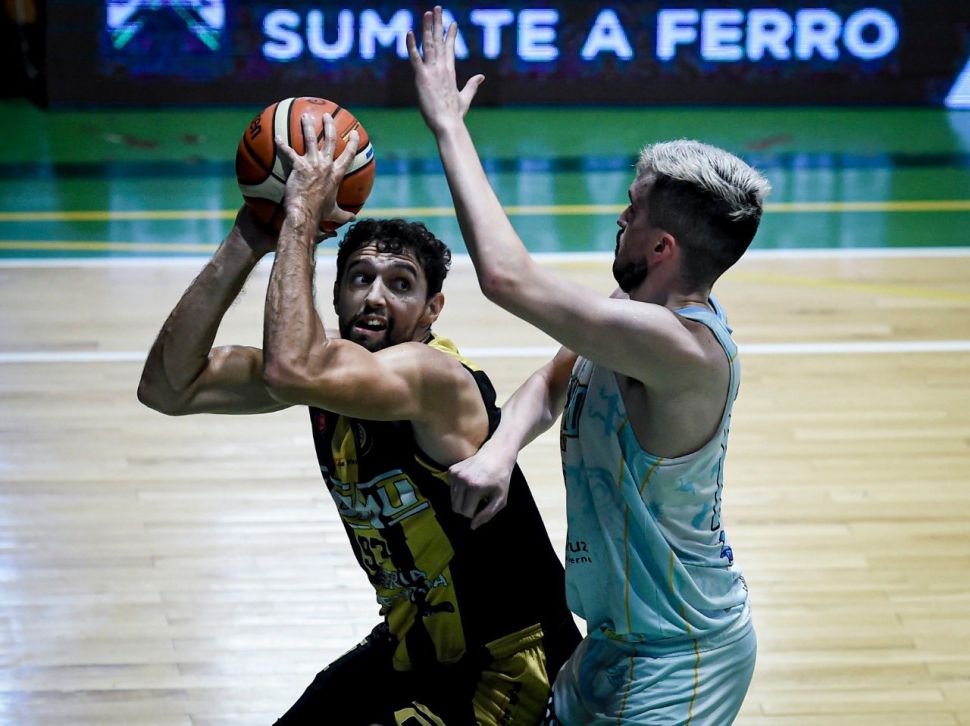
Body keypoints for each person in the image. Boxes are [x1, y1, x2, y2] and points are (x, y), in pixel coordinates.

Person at [137, 112, 580, 725]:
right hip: (410, 649)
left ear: (432, 310)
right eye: (360, 279)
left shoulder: (432, 378)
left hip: (506, 668)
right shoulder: (326, 375)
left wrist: (300, 215)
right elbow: (167, 386)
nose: (374, 295)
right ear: (336, 296)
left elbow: (290, 369)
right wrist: (248, 236)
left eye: (400, 284)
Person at [408, 7, 770, 724]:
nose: (620, 219)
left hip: (682, 658)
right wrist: (501, 450)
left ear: (662, 247)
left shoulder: (681, 349)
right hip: (613, 641)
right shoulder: (631, 315)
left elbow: (506, 278)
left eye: (633, 211)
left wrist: (449, 126)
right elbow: (554, 382)